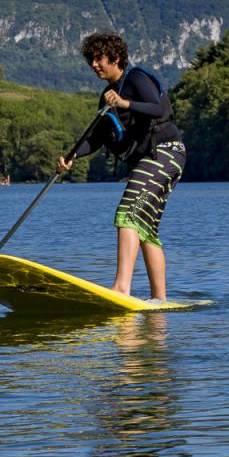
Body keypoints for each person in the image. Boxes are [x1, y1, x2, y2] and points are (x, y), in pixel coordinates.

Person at [57, 32, 186, 301]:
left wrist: (124, 102)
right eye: (90, 60)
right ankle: (159, 302)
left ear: (115, 58)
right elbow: (97, 138)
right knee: (145, 228)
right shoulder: (106, 96)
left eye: (98, 58)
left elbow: (157, 110)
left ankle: (121, 287)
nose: (93, 64)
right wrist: (72, 156)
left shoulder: (136, 78)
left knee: (127, 214)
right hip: (152, 159)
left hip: (165, 152)